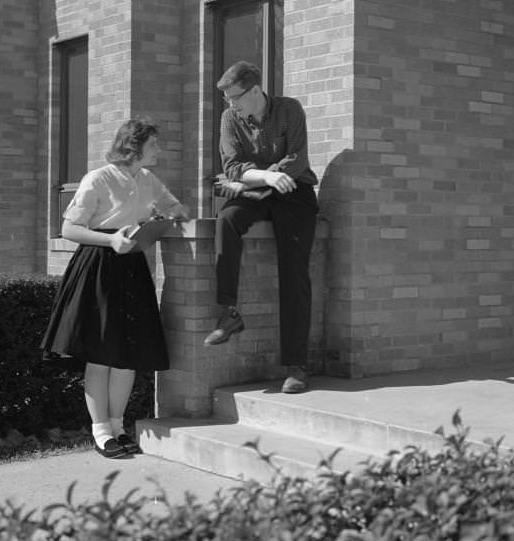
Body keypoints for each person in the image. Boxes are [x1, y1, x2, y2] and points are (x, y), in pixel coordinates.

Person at [40, 117, 189, 459]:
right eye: (154, 144)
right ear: (134, 147)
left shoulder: (147, 178)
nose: (159, 150)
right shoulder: (98, 178)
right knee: (101, 356)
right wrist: (111, 240)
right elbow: (68, 229)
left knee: (126, 356)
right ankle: (100, 431)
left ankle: (119, 427)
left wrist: (177, 212)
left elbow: (171, 206)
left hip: (132, 269)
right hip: (98, 267)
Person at [205, 61, 319, 395]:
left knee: (294, 271)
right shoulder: (230, 119)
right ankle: (229, 313)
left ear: (255, 90)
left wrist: (270, 174)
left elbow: (296, 160)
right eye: (227, 99)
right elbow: (232, 167)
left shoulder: (289, 110)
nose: (231, 104)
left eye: (235, 97)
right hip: (259, 187)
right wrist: (267, 175)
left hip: (294, 191)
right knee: (226, 220)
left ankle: (296, 365)